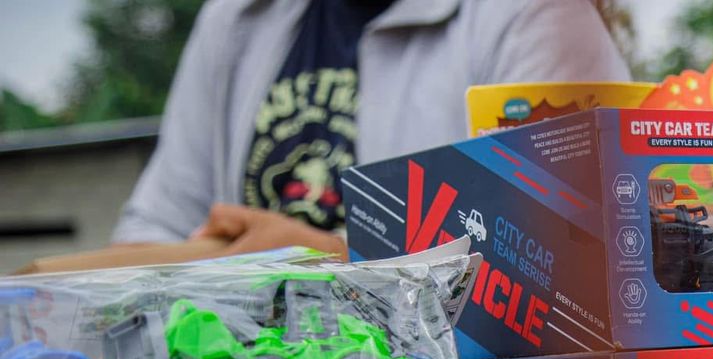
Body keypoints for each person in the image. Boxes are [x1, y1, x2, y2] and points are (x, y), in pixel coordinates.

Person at [114, 0, 629, 255]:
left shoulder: (539, 17)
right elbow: (156, 229)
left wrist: (317, 262)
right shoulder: (235, 18)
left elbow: (560, 270)